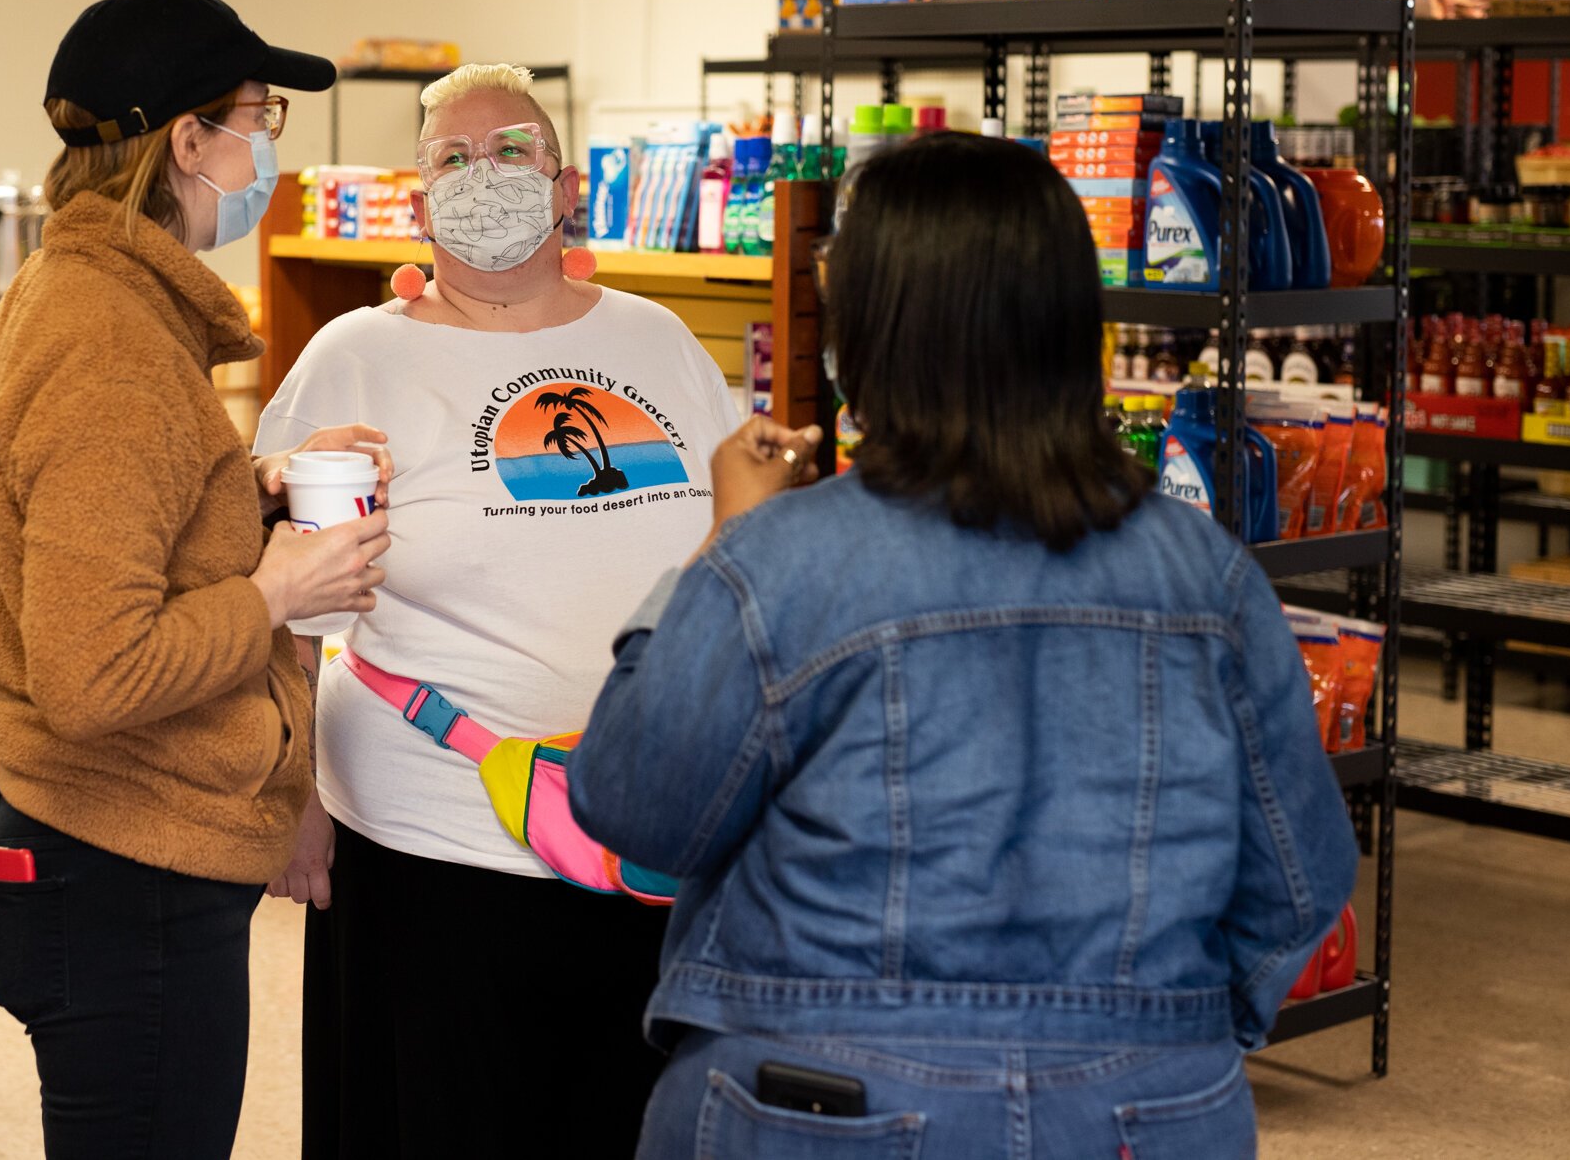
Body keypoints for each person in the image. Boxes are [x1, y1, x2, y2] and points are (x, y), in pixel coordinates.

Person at [570, 132, 1360, 1159]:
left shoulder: (777, 560)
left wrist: (710, 549)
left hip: (819, 1094)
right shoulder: (1203, 575)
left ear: (868, 333)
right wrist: (1155, 1034)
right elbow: (1297, 878)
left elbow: (636, 804)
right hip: (1145, 1102)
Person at [256, 63, 746, 1159]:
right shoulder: (359, 355)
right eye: (452, 158)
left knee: (622, 1118)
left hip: (642, 831)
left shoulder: (655, 340)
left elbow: (729, 545)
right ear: (418, 201)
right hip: (434, 834)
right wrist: (289, 790)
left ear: (564, 185)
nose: (486, 175)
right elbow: (283, 583)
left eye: (513, 150)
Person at [0, 0, 393, 1160]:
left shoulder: (88, 297)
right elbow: (94, 668)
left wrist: (248, 483)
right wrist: (277, 593)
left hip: (98, 857)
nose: (265, 151)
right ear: (188, 139)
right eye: (261, 116)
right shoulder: (113, 345)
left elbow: (110, 510)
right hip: (123, 871)